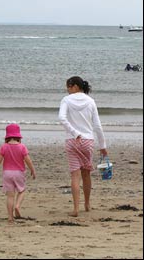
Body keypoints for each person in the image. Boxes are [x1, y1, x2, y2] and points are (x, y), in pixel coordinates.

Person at [58, 76, 108, 217]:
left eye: (68, 87)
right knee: (86, 173)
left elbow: (62, 118)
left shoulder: (66, 100)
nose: (67, 90)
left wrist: (74, 132)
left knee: (75, 175)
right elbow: (97, 125)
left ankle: (75, 209)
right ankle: (87, 204)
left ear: (74, 86)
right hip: (87, 141)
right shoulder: (90, 101)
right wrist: (102, 145)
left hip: (72, 141)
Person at [0, 123, 36, 223]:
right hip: (19, 173)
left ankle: (10, 217)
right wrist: (32, 170)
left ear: (7, 136)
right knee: (22, 191)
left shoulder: (4, 147)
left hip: (7, 173)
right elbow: (28, 160)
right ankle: (17, 206)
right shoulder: (22, 147)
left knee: (10, 196)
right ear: (18, 136)